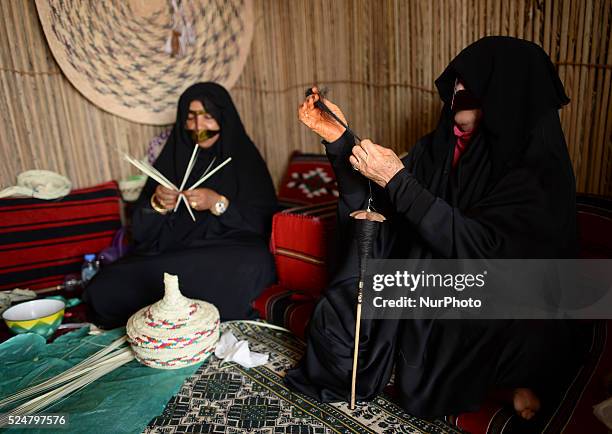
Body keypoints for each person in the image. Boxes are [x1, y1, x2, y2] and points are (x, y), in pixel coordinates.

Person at [285, 37, 582, 420]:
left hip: (508, 296)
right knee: (350, 297)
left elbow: (486, 255)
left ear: (506, 94)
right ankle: (397, 365)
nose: (457, 88)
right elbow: (383, 205)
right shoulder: (439, 147)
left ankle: (503, 380)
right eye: (456, 81)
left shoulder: (537, 170)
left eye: (471, 82)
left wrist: (399, 181)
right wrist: (340, 142)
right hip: (433, 282)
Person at [84, 82, 277, 327]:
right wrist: (158, 204)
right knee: (106, 283)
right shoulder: (175, 156)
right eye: (191, 118)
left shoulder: (244, 159)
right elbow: (141, 233)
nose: (199, 127)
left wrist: (217, 203)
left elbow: (264, 221)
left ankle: (173, 312)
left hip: (228, 250)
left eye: (208, 117)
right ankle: (190, 311)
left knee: (254, 263)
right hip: (174, 252)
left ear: (224, 119)